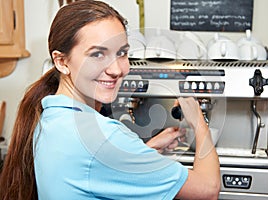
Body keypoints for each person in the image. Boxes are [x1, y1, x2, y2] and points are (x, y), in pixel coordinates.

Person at [0, 1, 220, 199]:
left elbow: (94, 167)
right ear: (61, 61)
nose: (116, 69)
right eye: (97, 54)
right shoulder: (103, 138)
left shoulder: (49, 115)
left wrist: (144, 150)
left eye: (122, 53)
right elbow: (207, 189)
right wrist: (199, 123)